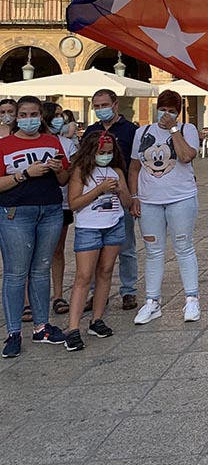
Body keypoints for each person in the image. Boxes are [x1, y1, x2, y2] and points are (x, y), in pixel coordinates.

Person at [0, 96, 71, 358]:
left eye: (33, 114)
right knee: (16, 272)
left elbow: (64, 178)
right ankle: (14, 332)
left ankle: (42, 327)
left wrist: (57, 169)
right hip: (16, 212)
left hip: (50, 210)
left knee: (41, 269)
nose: (28, 118)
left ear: (40, 116)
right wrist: (24, 174)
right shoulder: (4, 145)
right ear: (16, 116)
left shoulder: (52, 142)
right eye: (23, 114)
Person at [130, 90, 202, 325]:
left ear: (178, 113)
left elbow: (186, 156)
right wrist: (134, 196)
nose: (166, 113)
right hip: (149, 199)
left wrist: (173, 129)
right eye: (163, 108)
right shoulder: (142, 132)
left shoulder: (186, 130)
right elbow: (134, 167)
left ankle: (191, 298)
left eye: (172, 110)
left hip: (180, 197)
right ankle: (152, 301)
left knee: (183, 246)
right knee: (153, 251)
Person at [64, 132, 132, 351]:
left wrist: (121, 189)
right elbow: (74, 203)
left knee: (106, 271)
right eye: (101, 153)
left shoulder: (117, 171)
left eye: (109, 153)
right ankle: (73, 328)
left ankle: (97, 319)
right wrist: (99, 190)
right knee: (84, 276)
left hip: (113, 225)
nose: (105, 156)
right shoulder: (81, 172)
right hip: (89, 228)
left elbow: (128, 202)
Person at [83, 89, 139, 311]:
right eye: (96, 106)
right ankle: (98, 294)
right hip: (95, 197)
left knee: (126, 247)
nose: (100, 110)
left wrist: (134, 196)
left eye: (104, 105)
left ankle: (129, 291)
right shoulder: (91, 131)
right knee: (95, 249)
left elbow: (136, 166)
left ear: (115, 105)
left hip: (120, 195)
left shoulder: (131, 130)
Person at [42, 102, 78, 318]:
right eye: (55, 115)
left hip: (62, 202)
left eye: (61, 115)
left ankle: (58, 295)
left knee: (57, 250)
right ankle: (29, 299)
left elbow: (70, 173)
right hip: (36, 201)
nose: (60, 119)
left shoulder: (67, 144)